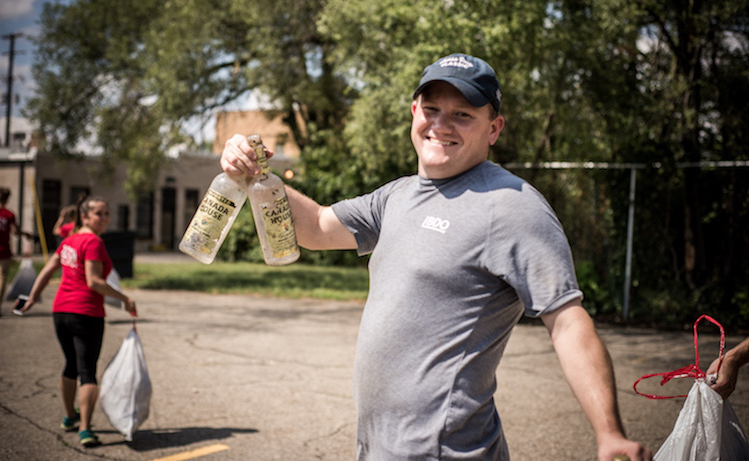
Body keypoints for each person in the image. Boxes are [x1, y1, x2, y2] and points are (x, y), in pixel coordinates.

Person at [221, 53, 652, 461]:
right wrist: (255, 175)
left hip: (443, 450)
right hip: (378, 446)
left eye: (462, 114)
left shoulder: (512, 206)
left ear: (494, 128)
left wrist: (608, 432)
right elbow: (315, 227)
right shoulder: (398, 196)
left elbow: (568, 322)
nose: (441, 124)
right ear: (414, 113)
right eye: (432, 109)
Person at [16, 195, 137, 448]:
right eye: (99, 214)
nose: (105, 218)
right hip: (86, 312)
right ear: (84, 217)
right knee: (87, 372)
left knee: (70, 365)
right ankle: (85, 429)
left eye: (107, 213)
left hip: (61, 311)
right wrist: (124, 298)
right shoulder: (93, 242)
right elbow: (94, 282)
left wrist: (32, 298)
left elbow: (49, 268)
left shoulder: (69, 241)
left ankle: (70, 417)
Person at [0, 187, 33, 300]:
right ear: (7, 199)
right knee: (2, 277)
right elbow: (15, 231)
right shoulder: (9, 214)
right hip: (3, 250)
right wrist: (25, 234)